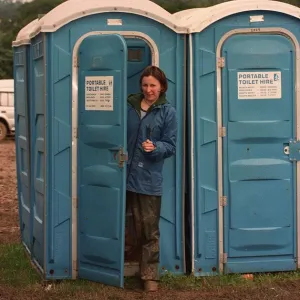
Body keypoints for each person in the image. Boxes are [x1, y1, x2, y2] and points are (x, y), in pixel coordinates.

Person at [126, 66, 177, 292]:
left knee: (149, 229)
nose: (148, 90)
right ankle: (113, 267)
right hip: (122, 174)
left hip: (148, 177)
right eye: (145, 85)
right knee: (124, 224)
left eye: (153, 86)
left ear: (162, 87)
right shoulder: (128, 106)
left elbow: (171, 145)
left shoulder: (167, 112)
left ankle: (149, 276)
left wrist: (155, 147)